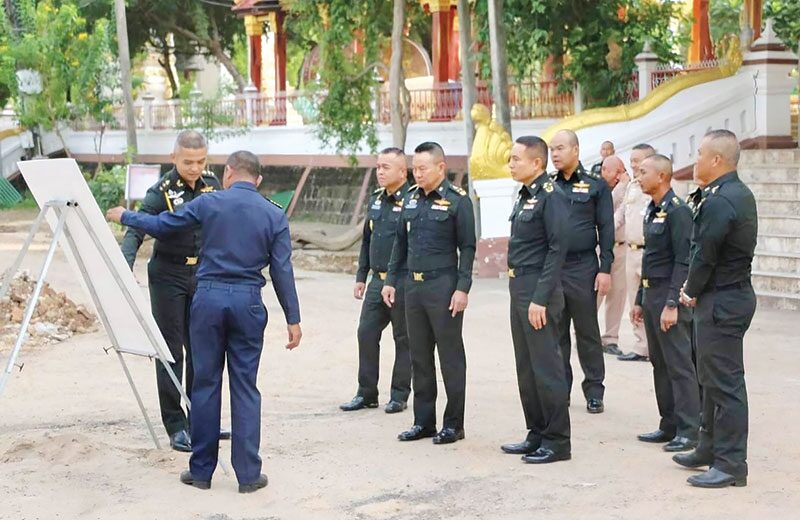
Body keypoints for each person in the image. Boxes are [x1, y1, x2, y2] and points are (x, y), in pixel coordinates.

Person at [107, 151, 303, 494]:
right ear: (257, 180)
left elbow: (163, 225)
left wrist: (126, 216)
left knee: (205, 384)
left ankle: (200, 472)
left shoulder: (209, 204)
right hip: (248, 303)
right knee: (245, 387)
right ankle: (248, 475)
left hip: (208, 300)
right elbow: (282, 270)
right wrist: (293, 319)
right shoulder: (274, 214)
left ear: (227, 173)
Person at [120, 130, 223, 452]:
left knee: (202, 351)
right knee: (170, 352)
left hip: (202, 274)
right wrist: (125, 263)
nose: (195, 167)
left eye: (201, 161)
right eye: (188, 161)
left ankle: (200, 421)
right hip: (168, 275)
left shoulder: (212, 183)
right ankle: (176, 425)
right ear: (174, 158)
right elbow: (136, 227)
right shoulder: (161, 191)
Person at [675, 130, 757, 489]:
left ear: (717, 161)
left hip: (722, 299)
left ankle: (731, 463)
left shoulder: (722, 200)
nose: (696, 161)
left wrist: (691, 290)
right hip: (724, 296)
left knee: (725, 384)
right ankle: (708, 446)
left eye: (700, 154)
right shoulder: (729, 194)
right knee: (709, 380)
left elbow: (705, 254)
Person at [382, 141, 476, 445]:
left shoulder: (458, 201)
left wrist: (462, 288)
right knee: (419, 356)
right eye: (414, 168)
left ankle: (454, 424)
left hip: (443, 286)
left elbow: (468, 248)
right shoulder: (410, 200)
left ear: (440, 168)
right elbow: (400, 244)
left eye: (422, 168)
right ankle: (423, 421)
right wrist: (391, 280)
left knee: (450, 356)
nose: (417, 174)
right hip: (413, 287)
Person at [501, 136, 571, 464]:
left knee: (546, 368)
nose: (511, 164)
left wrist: (540, 298)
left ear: (536, 163)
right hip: (520, 288)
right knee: (526, 368)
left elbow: (558, 249)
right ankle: (537, 432)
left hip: (538, 292)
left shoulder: (550, 196)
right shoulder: (525, 195)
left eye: (516, 159)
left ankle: (557, 441)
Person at [630, 154, 700, 453]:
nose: (638, 176)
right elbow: (651, 258)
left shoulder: (678, 211)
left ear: (662, 176)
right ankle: (668, 423)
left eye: (643, 172)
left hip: (668, 296)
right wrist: (639, 299)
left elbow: (683, 261)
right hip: (651, 295)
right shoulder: (652, 208)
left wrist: (672, 303)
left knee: (679, 364)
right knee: (659, 362)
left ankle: (689, 430)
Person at [340, 147, 411, 414]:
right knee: (366, 333)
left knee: (403, 338)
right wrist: (361, 275)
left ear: (402, 172)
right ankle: (366, 392)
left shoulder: (412, 201)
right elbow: (368, 240)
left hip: (402, 282)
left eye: (386, 167)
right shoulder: (376, 199)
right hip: (377, 281)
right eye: (379, 166)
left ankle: (399, 394)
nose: (380, 172)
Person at [550, 130, 614, 414]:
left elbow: (607, 229)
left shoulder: (595, 186)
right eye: (552, 149)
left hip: (583, 267)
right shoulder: (548, 187)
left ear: (575, 150)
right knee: (557, 331)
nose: (554, 154)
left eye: (560, 148)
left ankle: (594, 390)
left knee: (587, 331)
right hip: (553, 268)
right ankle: (560, 389)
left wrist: (605, 268)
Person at [616, 143, 656, 362]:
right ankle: (642, 345)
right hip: (631, 251)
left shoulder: (660, 186)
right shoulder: (631, 186)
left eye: (638, 160)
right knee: (635, 302)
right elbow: (621, 214)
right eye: (631, 160)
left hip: (650, 251)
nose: (633, 165)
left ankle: (658, 345)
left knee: (653, 300)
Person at [596, 155, 629, 356]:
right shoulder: (598, 188)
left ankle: (610, 338)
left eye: (622, 171)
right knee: (597, 291)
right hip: (601, 247)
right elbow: (610, 207)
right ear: (605, 170)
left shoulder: (630, 188)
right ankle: (586, 333)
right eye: (616, 172)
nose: (619, 176)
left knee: (617, 294)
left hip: (622, 246)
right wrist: (622, 187)